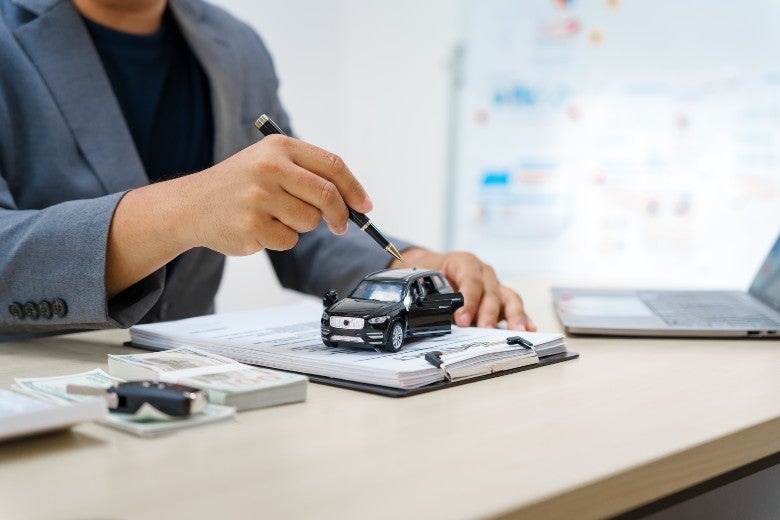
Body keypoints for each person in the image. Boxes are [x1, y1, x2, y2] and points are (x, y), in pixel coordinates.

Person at [0, 0, 536, 339]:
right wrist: (184, 209)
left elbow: (300, 222)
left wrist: (414, 264)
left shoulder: (237, 46)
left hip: (199, 397)